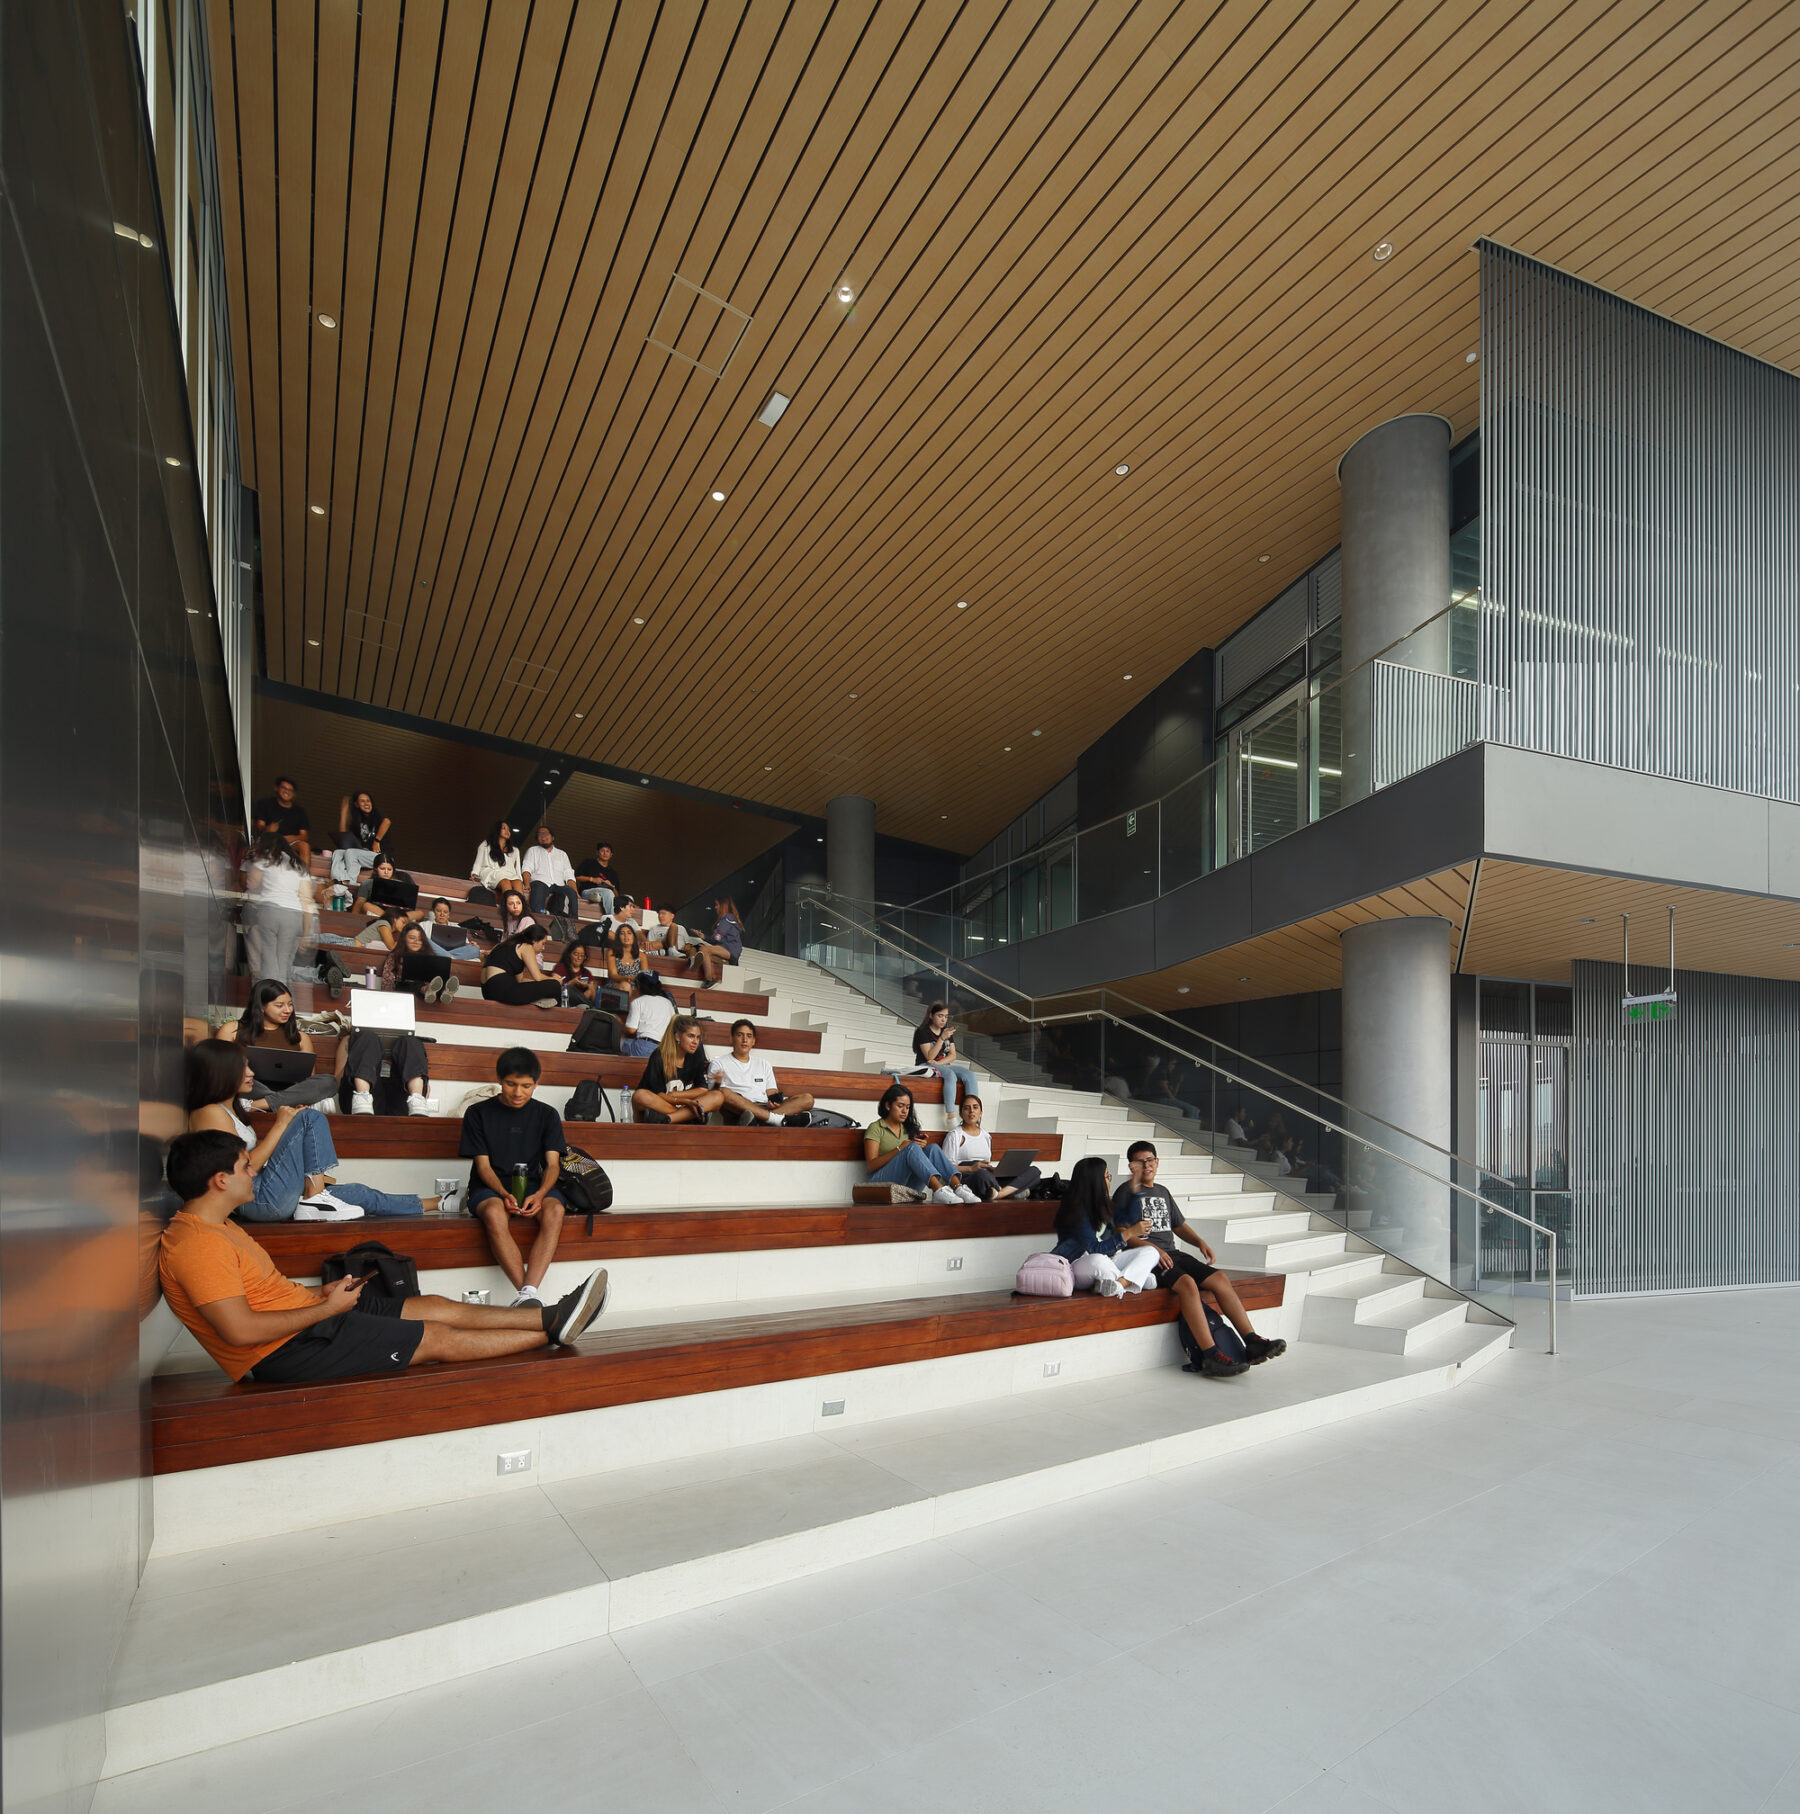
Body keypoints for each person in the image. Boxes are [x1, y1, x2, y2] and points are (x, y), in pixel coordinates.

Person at [160, 1130, 608, 1383]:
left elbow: (261, 1297)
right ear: (220, 1180)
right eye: (245, 1166)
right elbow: (239, 1332)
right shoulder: (197, 1246)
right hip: (281, 1353)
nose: (254, 1170)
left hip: (308, 1316)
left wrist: (322, 1295)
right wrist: (327, 1308)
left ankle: (551, 1314)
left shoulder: (219, 1225)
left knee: (431, 1306)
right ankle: (555, 1329)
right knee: (432, 1336)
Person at [185, 1039, 434, 1220]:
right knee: (309, 1118)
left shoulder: (231, 1109)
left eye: (249, 1066)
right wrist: (282, 1125)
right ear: (221, 1071)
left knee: (360, 1193)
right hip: (259, 1199)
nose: (251, 1072)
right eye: (242, 1068)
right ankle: (315, 1196)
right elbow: (242, 1168)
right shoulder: (209, 1111)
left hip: (266, 1190)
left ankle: (435, 1204)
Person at [1113, 1139, 1284, 1372]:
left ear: (1157, 1161)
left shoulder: (1163, 1191)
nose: (1146, 1165)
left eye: (1150, 1160)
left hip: (1172, 1253)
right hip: (1147, 1257)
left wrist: (1199, 1241)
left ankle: (1252, 1341)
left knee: (1220, 1278)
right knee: (1187, 1284)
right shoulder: (1126, 1192)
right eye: (1140, 1162)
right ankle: (1210, 1354)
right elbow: (1121, 1232)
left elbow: (1178, 1225)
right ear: (1131, 1166)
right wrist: (1154, 1250)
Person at [460, 1047, 573, 1307]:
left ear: (536, 1083)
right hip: (489, 1187)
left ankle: (527, 1293)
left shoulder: (547, 1115)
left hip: (535, 1184)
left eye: (526, 1086)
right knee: (494, 1213)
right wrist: (503, 1194)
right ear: (499, 1080)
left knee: (555, 1211)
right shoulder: (478, 1114)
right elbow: (484, 1167)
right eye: (511, 1084)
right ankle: (527, 1295)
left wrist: (541, 1194)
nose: (518, 1093)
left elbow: (553, 1165)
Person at [220, 980, 341, 1111]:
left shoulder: (300, 1038)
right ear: (261, 1006)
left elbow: (308, 1080)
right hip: (252, 1087)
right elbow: (220, 1070)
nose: (287, 1010)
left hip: (290, 1090)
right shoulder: (232, 1030)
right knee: (236, 1076)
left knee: (329, 1081)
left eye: (290, 1004)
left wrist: (295, 1094)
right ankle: (291, 1104)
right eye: (279, 1005)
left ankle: (257, 1105)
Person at [1051, 1156, 1162, 1296]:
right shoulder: (1077, 1211)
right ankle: (1131, 1280)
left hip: (1110, 1260)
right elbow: (1093, 1250)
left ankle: (1117, 1284)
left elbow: (1129, 1217)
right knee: (1146, 1279)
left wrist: (1134, 1188)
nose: (1109, 1180)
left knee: (1151, 1252)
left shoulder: (1104, 1205)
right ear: (1095, 1182)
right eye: (1106, 1176)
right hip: (1079, 1265)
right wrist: (1128, 1234)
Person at [863, 1083, 969, 1203]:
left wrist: (921, 1148)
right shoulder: (876, 1128)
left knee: (932, 1148)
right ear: (888, 1105)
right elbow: (871, 1165)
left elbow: (913, 1158)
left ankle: (958, 1187)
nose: (904, 1111)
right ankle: (938, 1190)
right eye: (900, 1106)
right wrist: (900, 1148)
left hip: (905, 1185)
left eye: (908, 1107)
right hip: (879, 1185)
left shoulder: (907, 1129)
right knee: (911, 1148)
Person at [707, 1019, 814, 1126]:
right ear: (731, 1038)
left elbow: (772, 1092)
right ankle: (774, 1119)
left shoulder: (764, 1063)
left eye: (749, 1036)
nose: (745, 1040)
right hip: (739, 1108)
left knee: (807, 1099)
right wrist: (717, 1084)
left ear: (753, 1041)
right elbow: (715, 1096)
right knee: (723, 1092)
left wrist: (774, 1102)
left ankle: (762, 1121)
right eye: (740, 1035)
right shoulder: (718, 1063)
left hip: (764, 1106)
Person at [243, 832, 316, 986]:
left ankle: (270, 1002)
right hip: (294, 916)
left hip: (271, 911)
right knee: (284, 966)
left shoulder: (265, 859)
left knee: (269, 960)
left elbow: (252, 883)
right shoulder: (299, 865)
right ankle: (285, 1003)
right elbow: (306, 900)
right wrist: (306, 933)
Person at [939, 1094, 1038, 1199]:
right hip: (969, 1178)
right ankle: (1011, 1192)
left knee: (1034, 1171)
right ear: (961, 1113)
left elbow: (986, 1163)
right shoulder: (954, 1135)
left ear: (980, 1113)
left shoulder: (986, 1136)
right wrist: (971, 1168)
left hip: (988, 1175)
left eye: (975, 1107)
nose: (971, 1111)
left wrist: (994, 1169)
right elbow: (947, 1168)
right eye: (966, 1108)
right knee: (982, 1175)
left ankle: (999, 1194)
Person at [632, 1015, 726, 1123]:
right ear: (677, 1037)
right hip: (663, 1106)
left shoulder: (697, 1055)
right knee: (639, 1096)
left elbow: (702, 1089)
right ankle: (686, 1118)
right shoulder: (659, 1056)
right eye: (691, 1036)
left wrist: (677, 1095)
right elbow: (658, 1094)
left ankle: (670, 1119)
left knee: (718, 1096)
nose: (695, 1042)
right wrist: (685, 1102)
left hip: (673, 1112)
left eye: (698, 1037)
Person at [912, 1002, 980, 1115]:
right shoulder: (923, 1031)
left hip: (941, 1065)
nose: (943, 1019)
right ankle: (951, 1114)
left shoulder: (947, 1032)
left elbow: (953, 1055)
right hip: (925, 1064)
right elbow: (929, 1057)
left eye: (946, 1016)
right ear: (931, 1015)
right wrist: (941, 1039)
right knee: (950, 1075)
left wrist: (939, 1063)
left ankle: (972, 1112)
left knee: (970, 1075)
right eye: (940, 1016)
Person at [481, 924, 564, 1009]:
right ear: (534, 940)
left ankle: (540, 1001)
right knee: (555, 985)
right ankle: (559, 1016)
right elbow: (538, 977)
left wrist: (536, 985)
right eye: (543, 943)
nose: (543, 948)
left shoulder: (504, 945)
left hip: (487, 992)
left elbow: (520, 980)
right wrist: (554, 979)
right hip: (501, 990)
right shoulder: (526, 946)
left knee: (546, 986)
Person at [381, 918, 459, 1004]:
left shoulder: (430, 956)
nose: (416, 942)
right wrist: (387, 997)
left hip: (428, 992)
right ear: (404, 939)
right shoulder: (395, 956)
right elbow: (387, 980)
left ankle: (445, 992)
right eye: (412, 938)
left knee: (439, 980)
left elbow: (437, 978)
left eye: (420, 939)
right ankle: (427, 989)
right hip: (405, 989)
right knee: (415, 983)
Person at [686, 895, 744, 988]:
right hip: (724, 951)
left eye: (717, 905)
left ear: (723, 905)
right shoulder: (725, 920)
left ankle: (709, 978)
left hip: (730, 952)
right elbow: (716, 940)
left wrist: (707, 938)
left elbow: (716, 938)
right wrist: (703, 936)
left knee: (704, 949)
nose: (715, 907)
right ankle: (696, 962)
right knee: (701, 950)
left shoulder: (727, 918)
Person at [332, 789, 390, 882]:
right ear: (356, 804)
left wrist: (377, 841)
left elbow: (386, 822)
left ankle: (350, 883)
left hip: (382, 857)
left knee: (351, 853)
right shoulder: (358, 821)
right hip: (367, 855)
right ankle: (337, 881)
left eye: (368, 800)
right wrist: (343, 814)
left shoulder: (377, 813)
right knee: (338, 853)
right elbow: (344, 835)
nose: (366, 803)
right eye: (362, 801)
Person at [252, 776, 311, 866]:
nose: (287, 791)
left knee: (304, 846)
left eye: (290, 790)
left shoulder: (299, 811)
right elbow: (259, 827)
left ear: (294, 794)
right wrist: (268, 829)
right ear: (276, 788)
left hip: (289, 843)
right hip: (269, 840)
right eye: (284, 788)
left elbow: (304, 836)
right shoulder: (265, 803)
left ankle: (305, 877)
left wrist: (285, 839)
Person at [523, 825, 579, 919]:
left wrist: (575, 891)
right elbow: (526, 869)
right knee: (538, 887)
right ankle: (537, 918)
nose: (543, 836)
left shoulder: (562, 854)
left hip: (558, 885)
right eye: (539, 834)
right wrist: (527, 885)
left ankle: (574, 921)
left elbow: (569, 874)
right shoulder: (532, 851)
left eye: (545, 833)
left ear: (553, 837)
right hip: (539, 882)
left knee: (571, 892)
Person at [620, 970, 675, 1057]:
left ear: (638, 986)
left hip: (644, 1047)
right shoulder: (668, 1002)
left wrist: (619, 1023)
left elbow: (631, 1030)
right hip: (665, 1049)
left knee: (623, 1043)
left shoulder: (638, 1002)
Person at [469, 820, 524, 898]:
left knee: (518, 882)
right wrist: (474, 874)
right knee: (505, 882)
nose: (507, 831)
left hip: (509, 874)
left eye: (508, 829)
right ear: (497, 830)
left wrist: (521, 880)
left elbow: (517, 869)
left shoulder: (515, 850)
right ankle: (507, 907)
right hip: (490, 872)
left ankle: (522, 908)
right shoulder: (486, 845)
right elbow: (478, 863)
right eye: (503, 828)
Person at [601, 918, 647, 1012]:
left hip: (635, 987)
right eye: (622, 933)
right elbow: (613, 975)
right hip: (616, 985)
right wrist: (628, 978)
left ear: (633, 937)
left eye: (629, 933)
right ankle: (629, 1014)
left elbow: (645, 976)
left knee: (644, 991)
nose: (626, 936)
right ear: (618, 937)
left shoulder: (641, 956)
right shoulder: (611, 952)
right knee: (626, 986)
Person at [425, 897, 483, 962]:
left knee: (475, 949)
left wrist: (469, 944)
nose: (442, 914)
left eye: (445, 912)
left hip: (452, 952)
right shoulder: (425, 925)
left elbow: (463, 944)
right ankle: (450, 958)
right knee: (425, 940)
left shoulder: (457, 927)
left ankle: (446, 957)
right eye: (438, 911)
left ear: (449, 913)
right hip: (434, 951)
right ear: (433, 911)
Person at [575, 840, 623, 913]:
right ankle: (613, 920)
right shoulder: (589, 862)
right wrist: (592, 879)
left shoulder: (612, 872)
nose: (605, 853)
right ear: (597, 852)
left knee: (628, 898)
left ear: (611, 855)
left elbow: (617, 895)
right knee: (608, 893)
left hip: (605, 895)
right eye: (602, 851)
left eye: (607, 851)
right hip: (587, 892)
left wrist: (611, 887)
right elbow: (576, 877)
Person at [553, 936, 601, 1005]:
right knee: (569, 989)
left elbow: (594, 999)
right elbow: (555, 990)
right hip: (564, 1002)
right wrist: (572, 982)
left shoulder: (587, 973)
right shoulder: (560, 967)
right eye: (576, 954)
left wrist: (590, 987)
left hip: (582, 1004)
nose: (579, 958)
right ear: (569, 954)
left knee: (590, 991)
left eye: (582, 955)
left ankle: (584, 1005)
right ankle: (585, 1005)